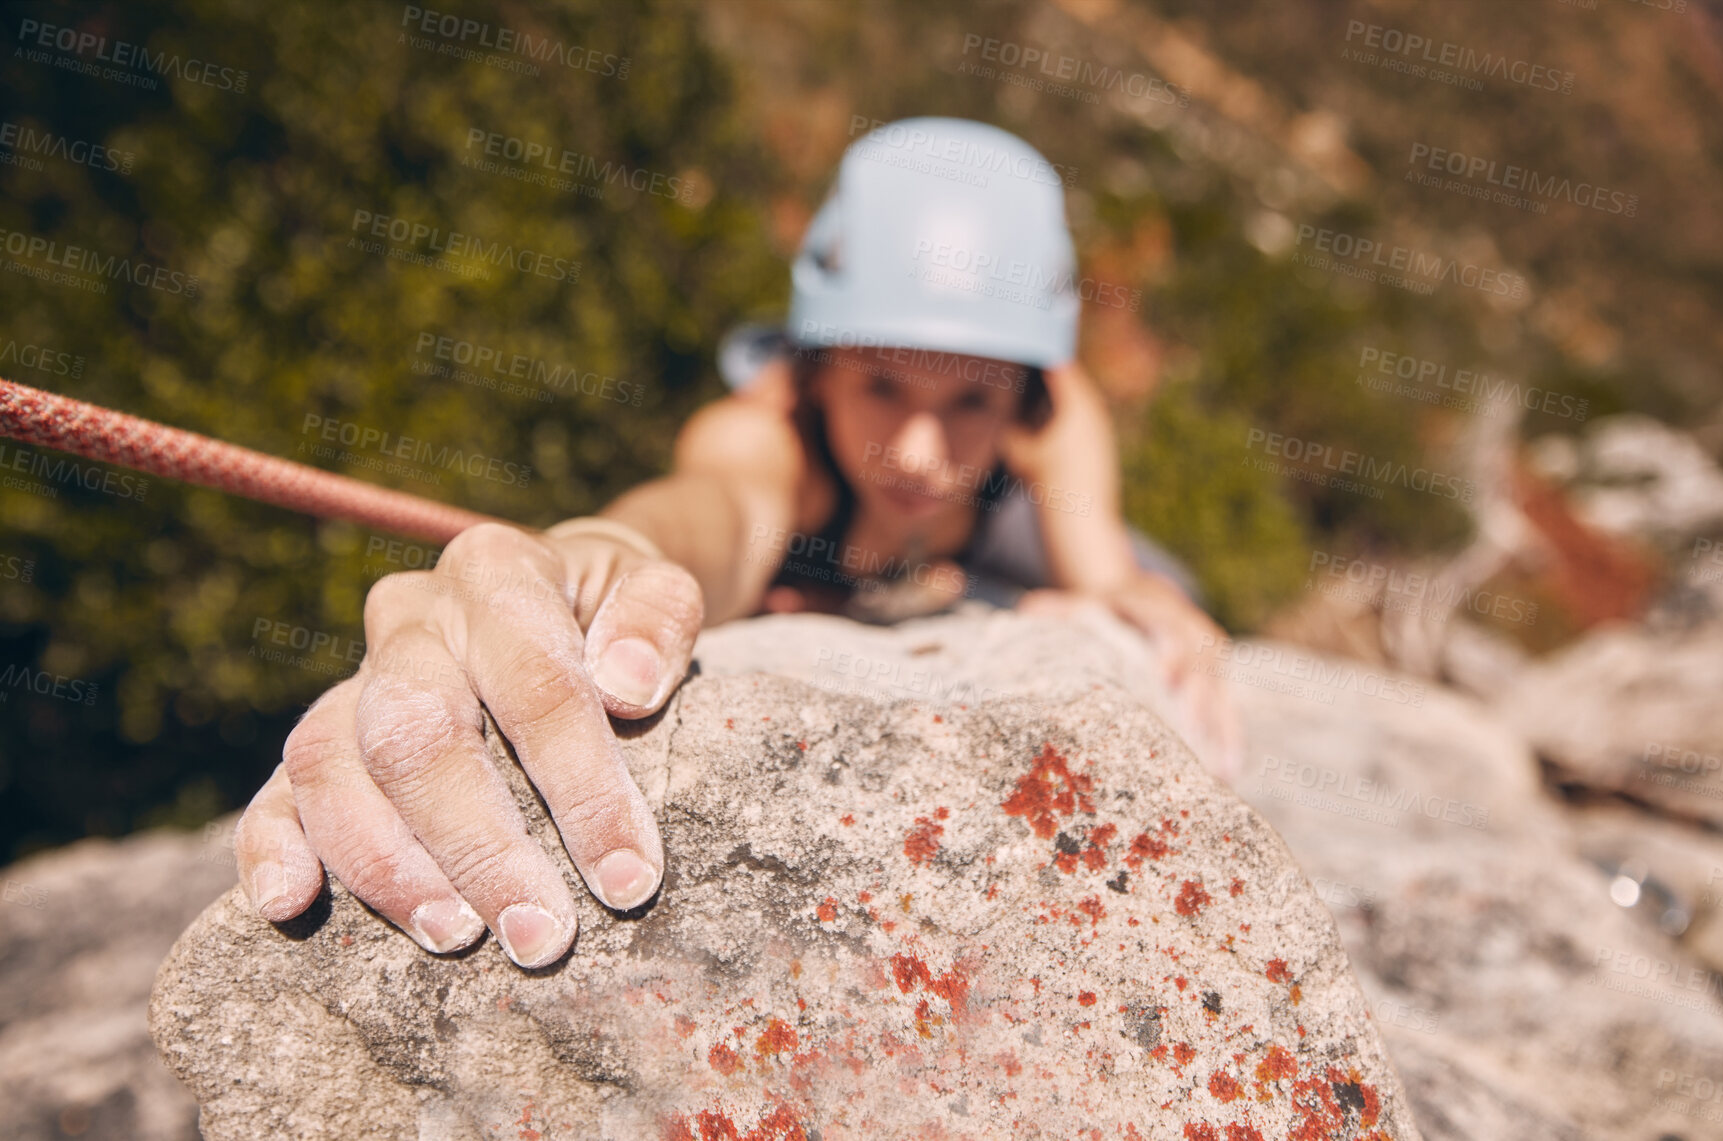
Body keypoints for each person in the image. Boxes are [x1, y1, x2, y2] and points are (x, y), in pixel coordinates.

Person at [233, 117, 1241, 971]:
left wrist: (1124, 596)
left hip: (995, 549)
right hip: (877, 559)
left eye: (973, 399)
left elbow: (1104, 574)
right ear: (817, 371)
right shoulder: (764, 440)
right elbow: (703, 512)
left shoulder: (1052, 423)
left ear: (1023, 395)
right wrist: (589, 559)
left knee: (1167, 585)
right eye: (883, 384)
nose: (921, 451)